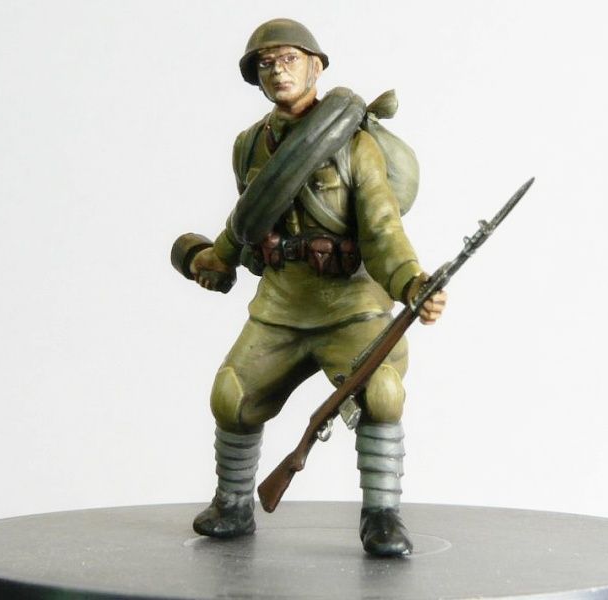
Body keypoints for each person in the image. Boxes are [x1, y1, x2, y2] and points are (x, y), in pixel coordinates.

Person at [186, 18, 446, 556]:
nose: (278, 71)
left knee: (381, 393)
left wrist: (411, 282)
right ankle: (233, 503)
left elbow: (382, 229)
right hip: (281, 305)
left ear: (316, 66)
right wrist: (220, 258)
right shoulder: (249, 146)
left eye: (289, 59)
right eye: (266, 63)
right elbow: (248, 218)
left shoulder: (357, 146)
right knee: (231, 394)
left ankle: (382, 516)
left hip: (352, 305)